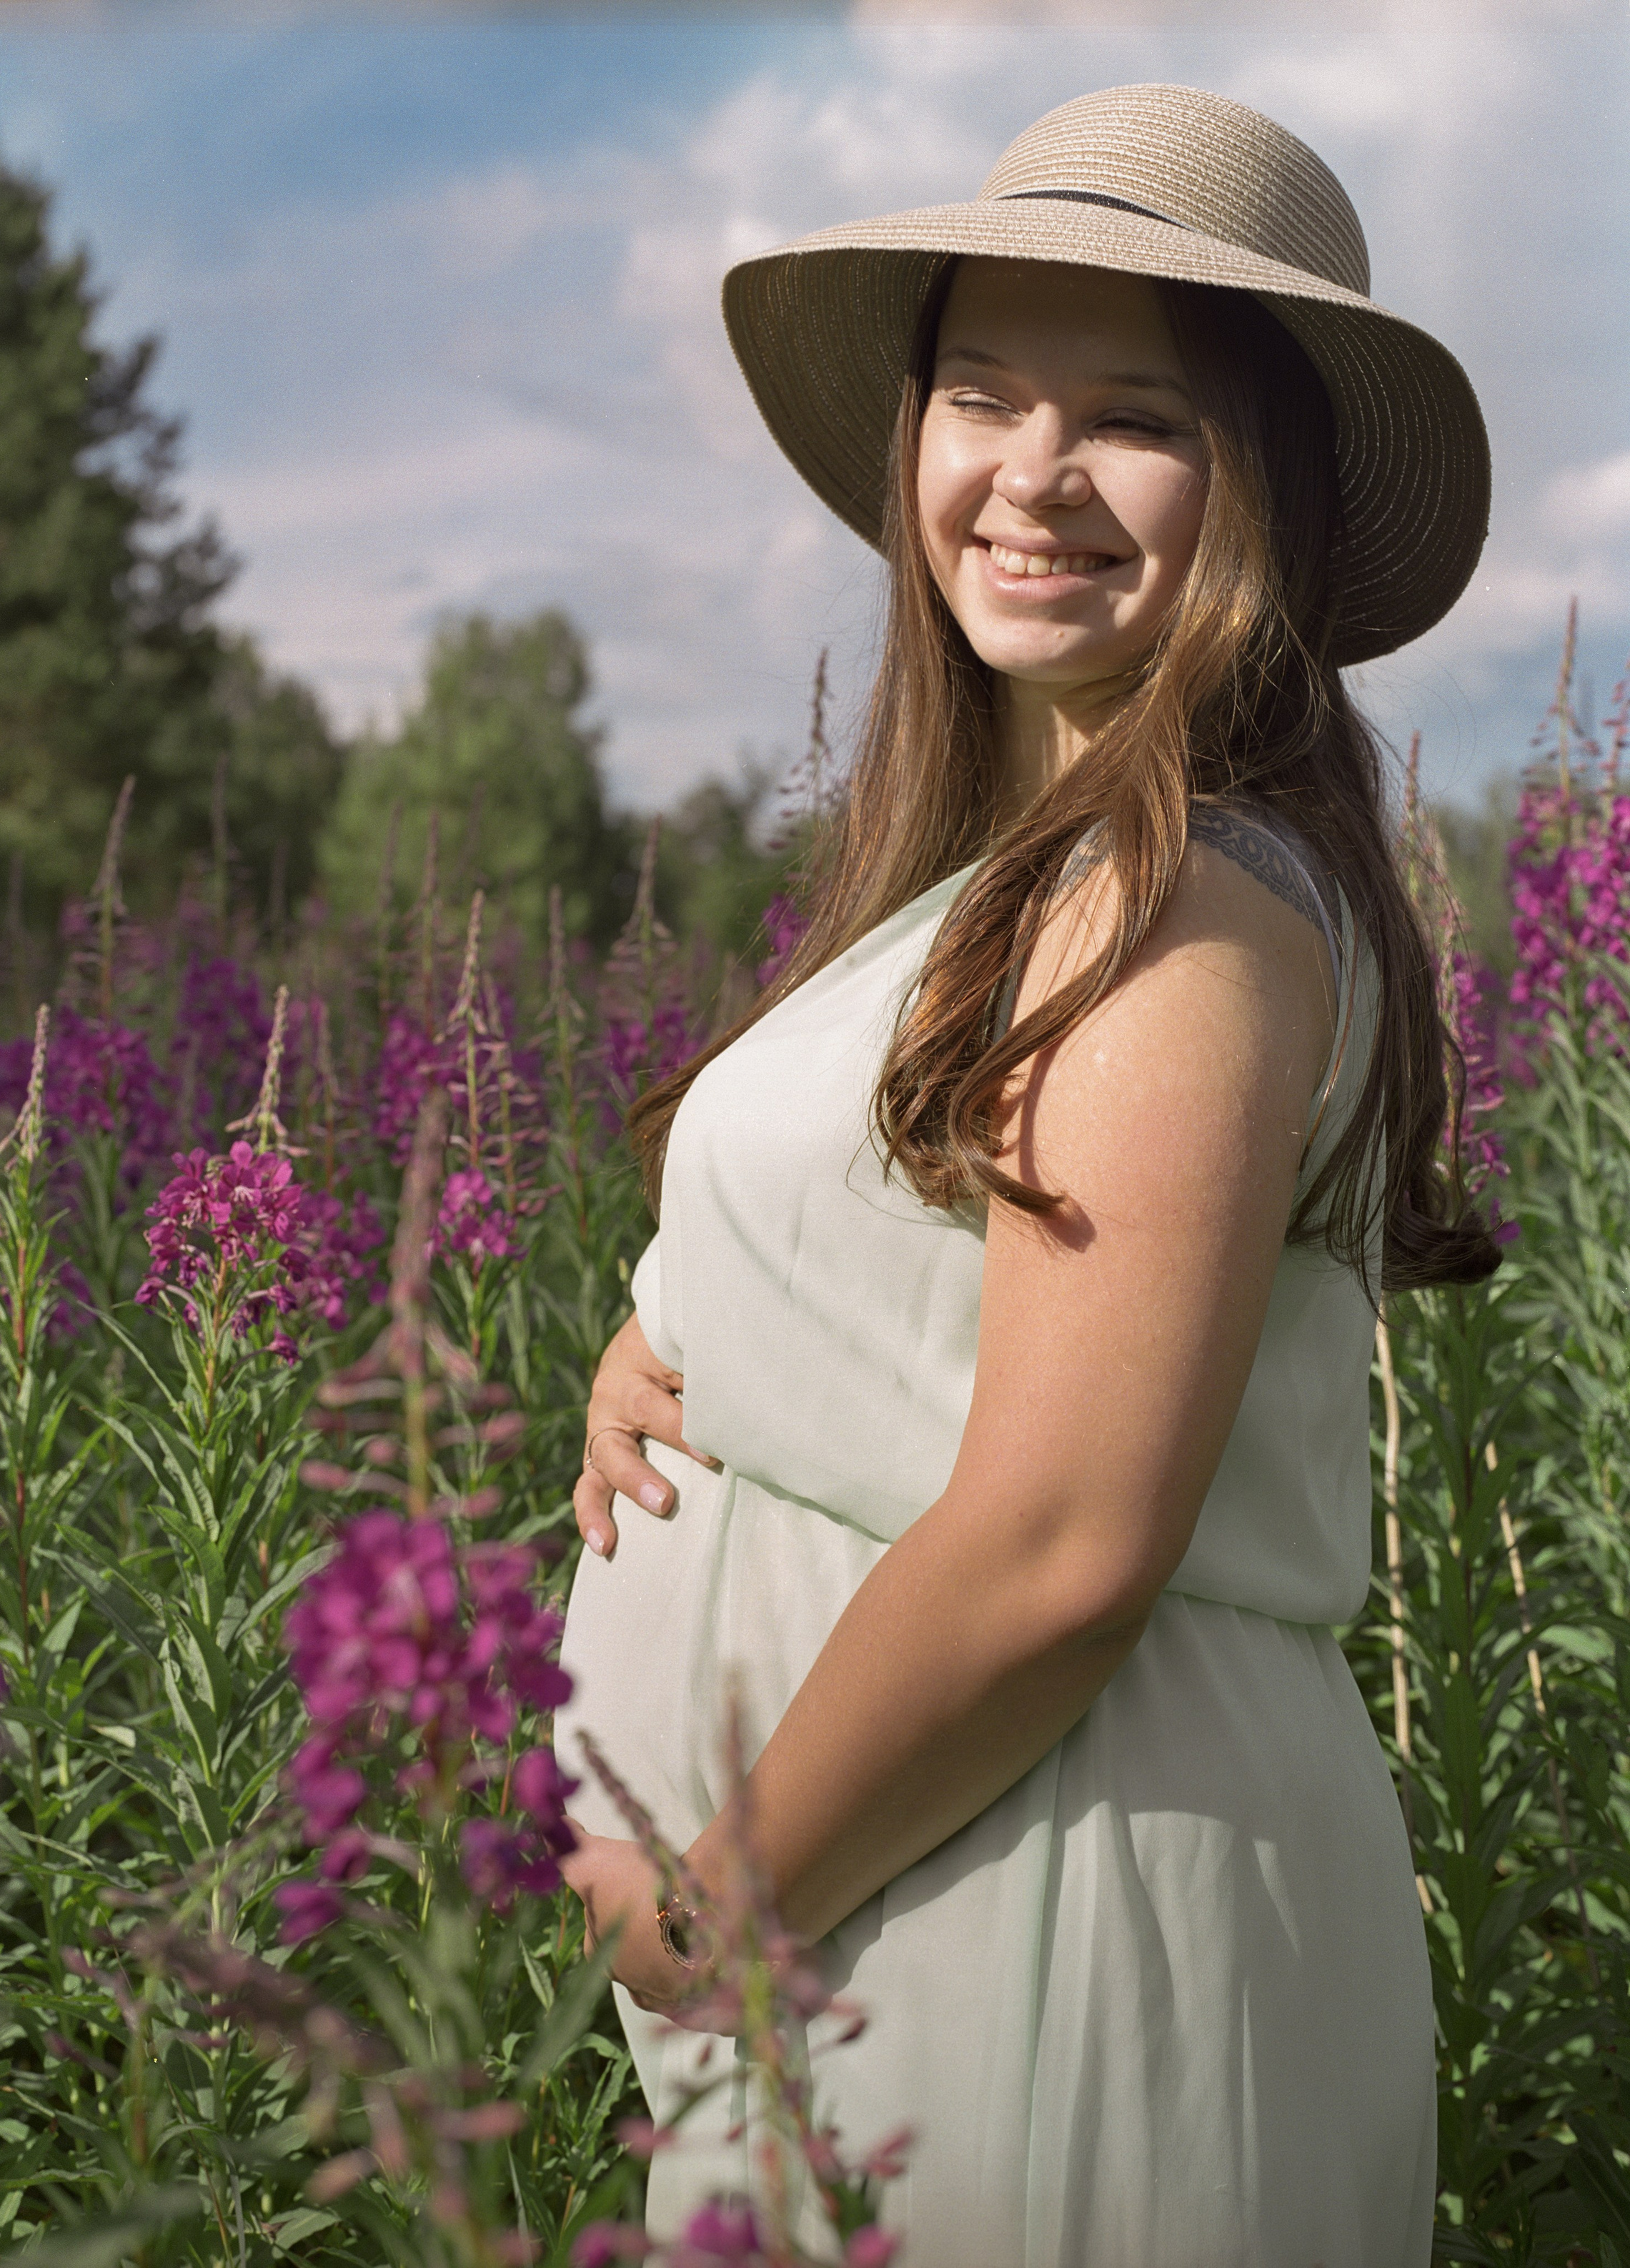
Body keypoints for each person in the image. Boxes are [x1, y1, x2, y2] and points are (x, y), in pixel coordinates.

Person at [555, 82, 1496, 2266]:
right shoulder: (1031, 877)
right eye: (983, 391)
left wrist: (709, 1913)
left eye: (1132, 416)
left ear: (1255, 480)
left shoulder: (1185, 905)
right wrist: (676, 1327)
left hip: (1041, 1908)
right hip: (926, 1897)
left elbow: (1068, 1541)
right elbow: (937, 1277)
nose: (1032, 474)